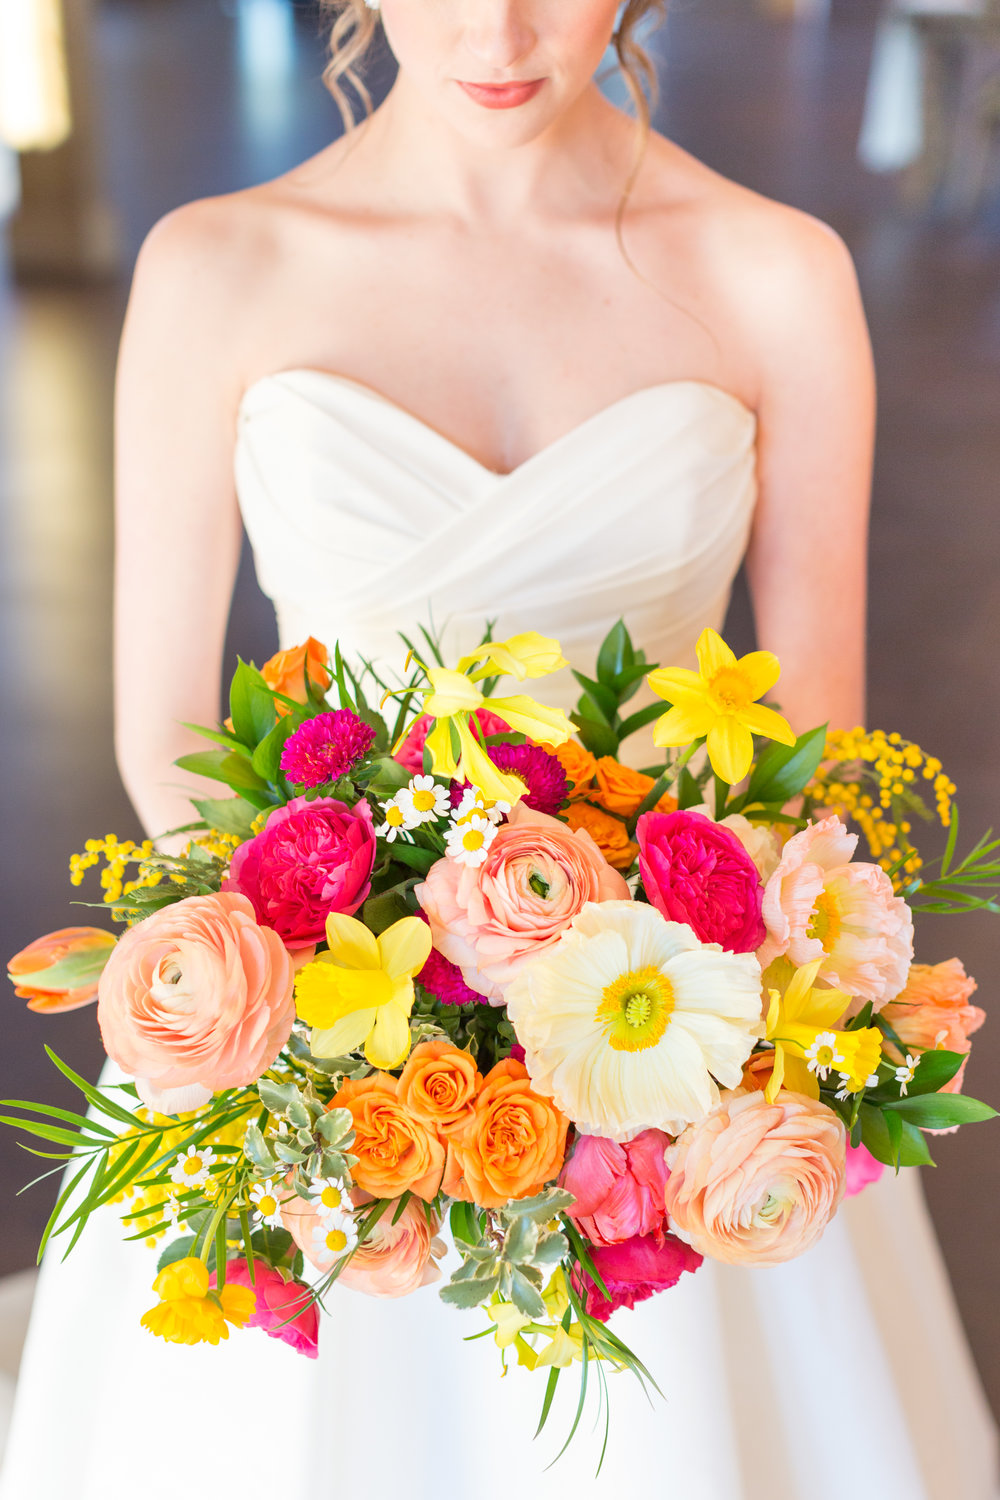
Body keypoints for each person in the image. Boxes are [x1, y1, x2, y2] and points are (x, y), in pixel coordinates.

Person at [2, 1, 997, 1496]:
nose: (502, 28)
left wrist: (640, 1053)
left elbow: (811, 752)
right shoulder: (220, 267)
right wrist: (353, 1051)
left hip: (674, 1071)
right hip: (323, 1032)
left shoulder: (776, 273)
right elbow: (167, 739)